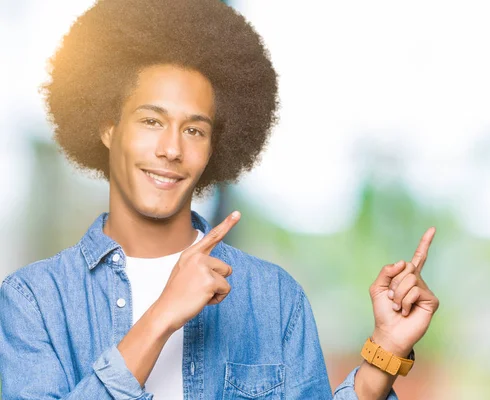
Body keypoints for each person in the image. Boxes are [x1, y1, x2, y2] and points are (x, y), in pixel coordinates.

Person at [0, 0, 439, 398]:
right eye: (151, 121)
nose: (172, 148)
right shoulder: (32, 300)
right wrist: (162, 315)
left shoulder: (273, 297)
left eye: (194, 130)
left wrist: (384, 353)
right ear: (108, 129)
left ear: (214, 149)